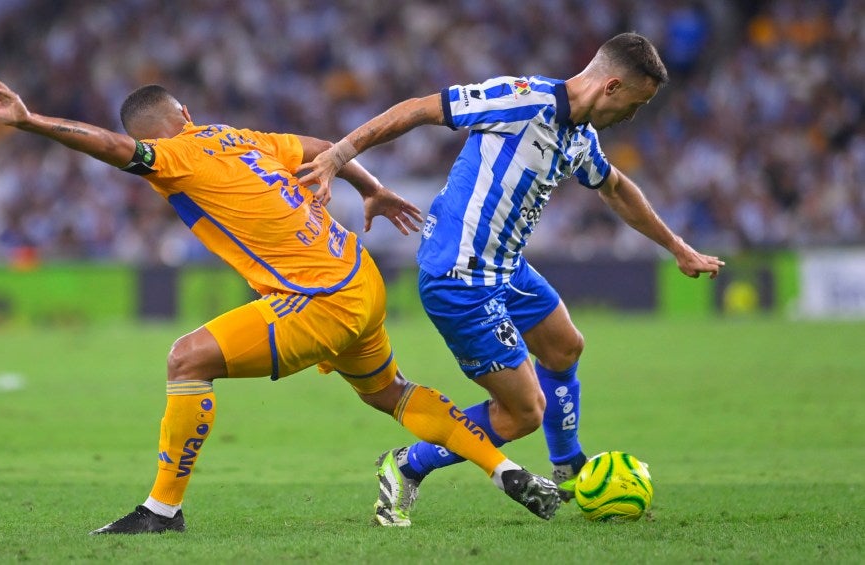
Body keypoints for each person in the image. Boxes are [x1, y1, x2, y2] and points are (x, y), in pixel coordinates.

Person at [0, 74, 562, 534]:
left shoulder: (175, 157)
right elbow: (318, 147)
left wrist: (30, 122)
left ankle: (160, 511)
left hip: (320, 298)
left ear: (153, 136)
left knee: (187, 360)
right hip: (361, 275)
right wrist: (371, 186)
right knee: (391, 393)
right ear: (186, 115)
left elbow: (113, 148)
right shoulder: (237, 138)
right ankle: (505, 469)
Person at [299, 32, 725, 527]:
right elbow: (419, 109)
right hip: (459, 277)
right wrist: (338, 156)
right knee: (524, 412)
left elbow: (616, 188)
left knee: (565, 346)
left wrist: (677, 246)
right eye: (636, 103)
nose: (634, 116)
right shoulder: (524, 100)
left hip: (506, 267)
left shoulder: (581, 138)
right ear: (610, 87)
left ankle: (569, 467)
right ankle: (407, 464)